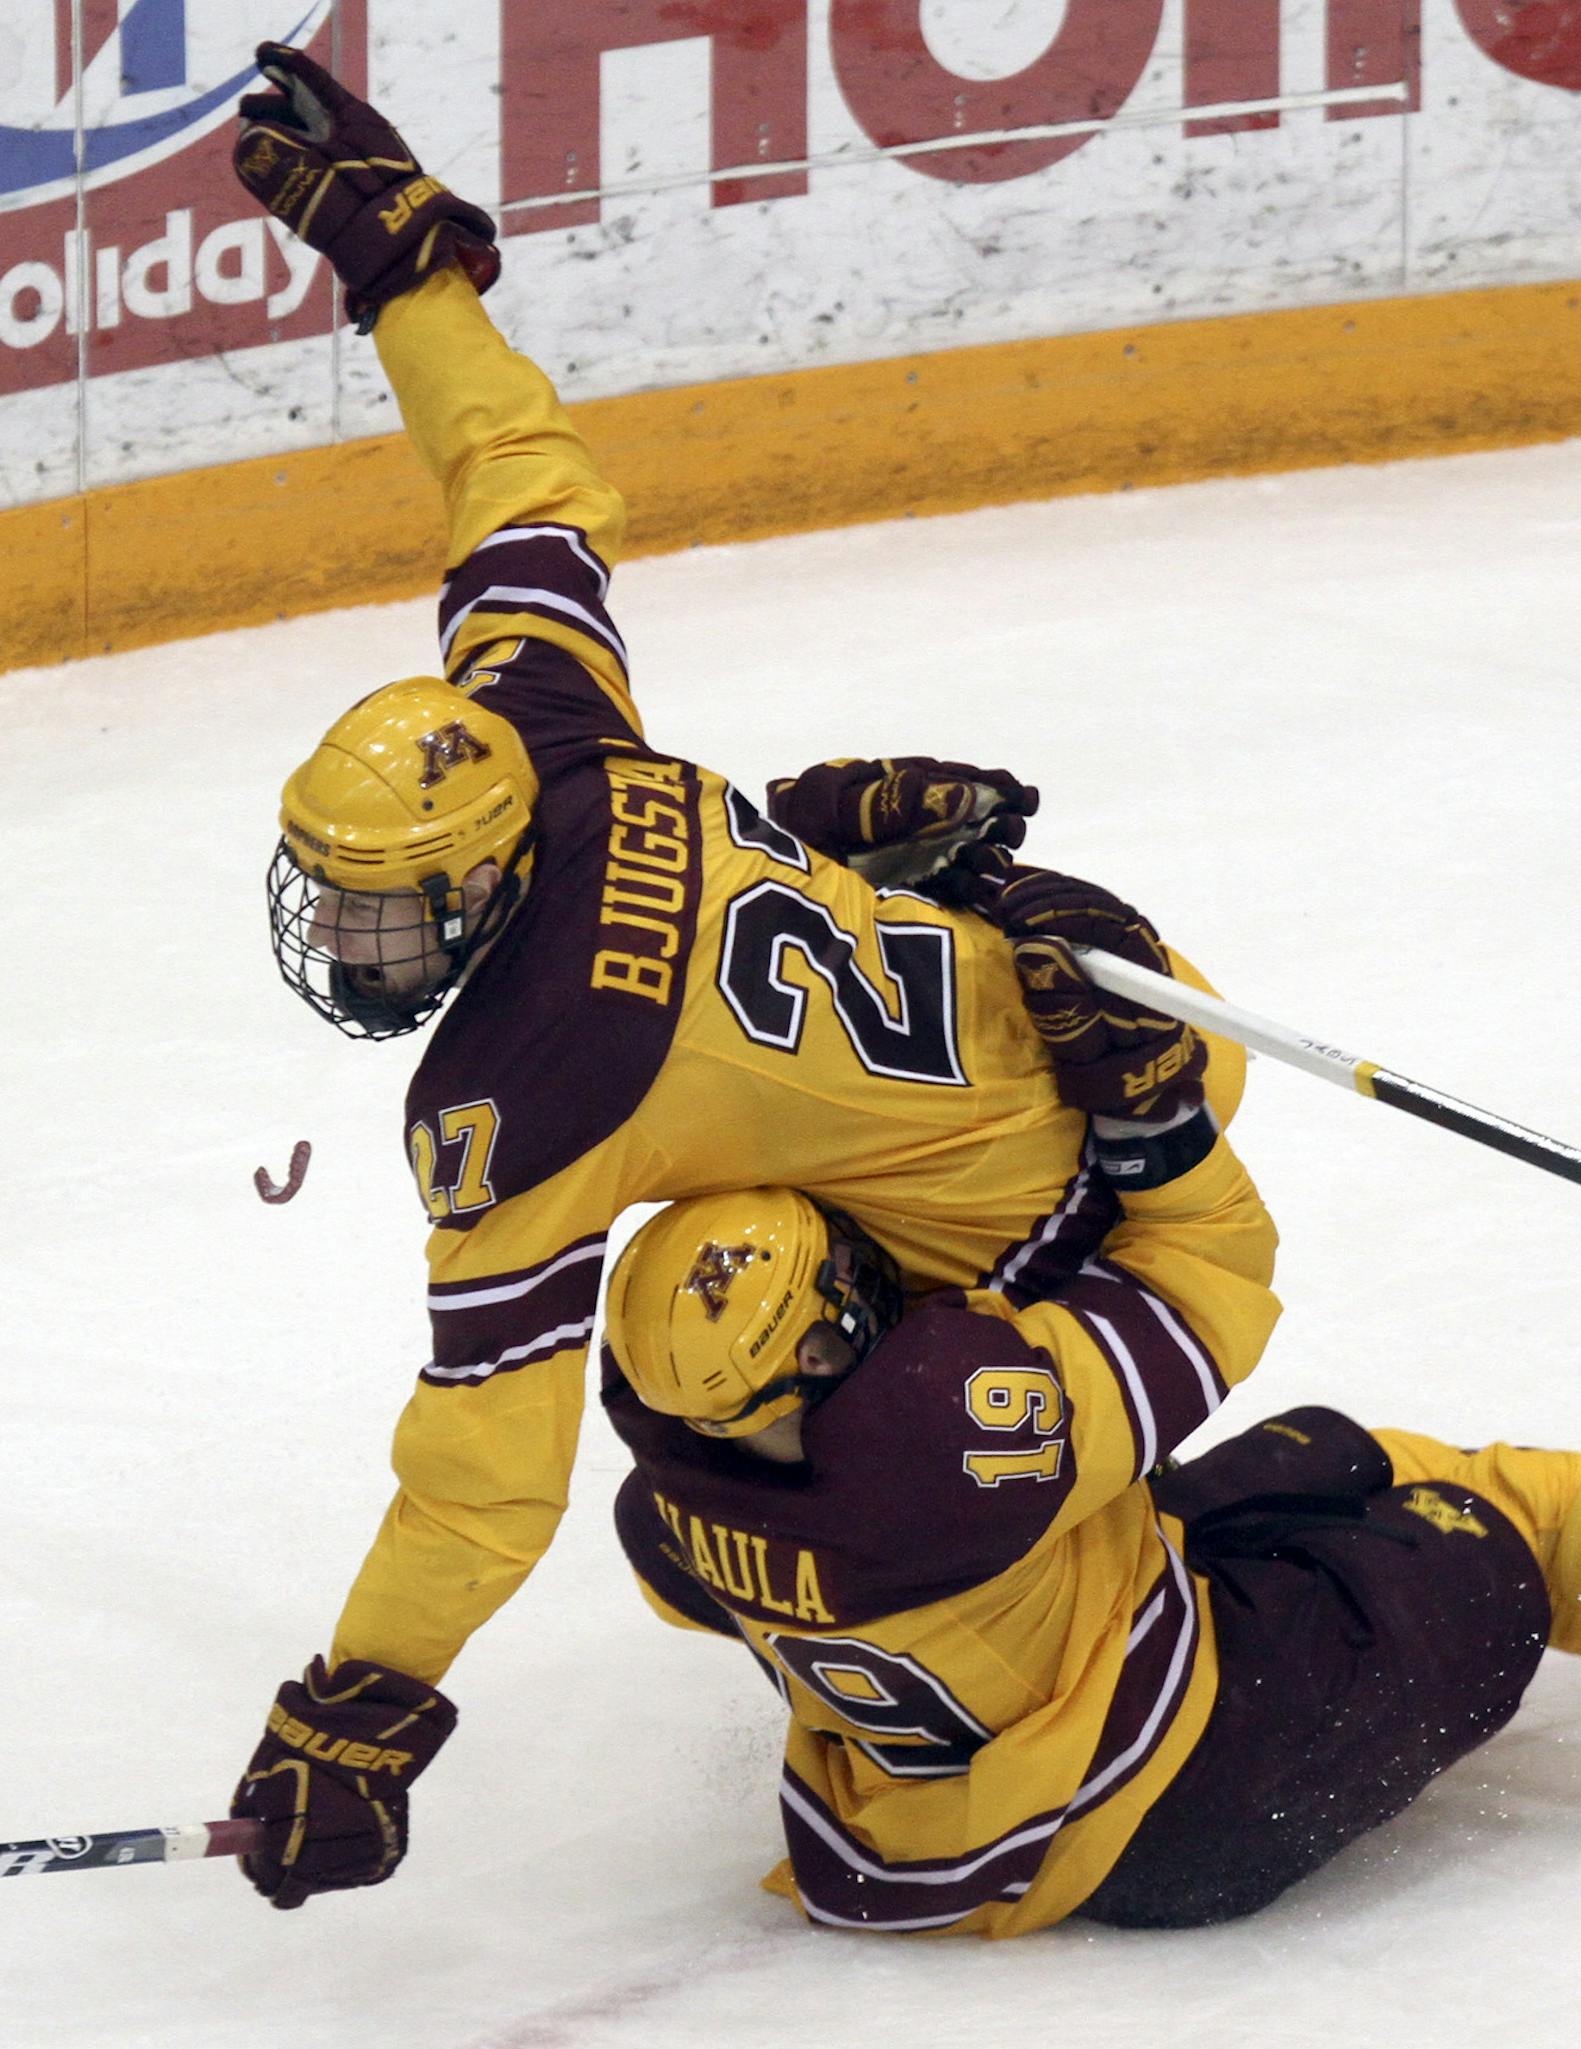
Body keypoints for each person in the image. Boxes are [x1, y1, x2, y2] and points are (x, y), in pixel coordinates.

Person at [239, 871, 1581, 1928]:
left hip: (927, 1816)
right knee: (1532, 1509)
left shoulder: (669, 1495)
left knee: (1350, 1460)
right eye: (856, 1285)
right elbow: (1220, 1279)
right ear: (835, 1346)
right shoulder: (965, 1438)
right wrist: (1143, 1106)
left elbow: (933, 1375)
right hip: (1204, 1783)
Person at [221, 47, 1249, 1909]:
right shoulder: (549, 731)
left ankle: (1020, 1672)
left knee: (757, 1405)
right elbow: (516, 470)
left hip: (1057, 1216)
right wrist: (407, 279)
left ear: (482, 888)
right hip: (1103, 993)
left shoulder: (522, 1094)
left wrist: (367, 1697)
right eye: (335, 897)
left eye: (383, 915)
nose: (350, 949)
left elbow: (484, 1473)